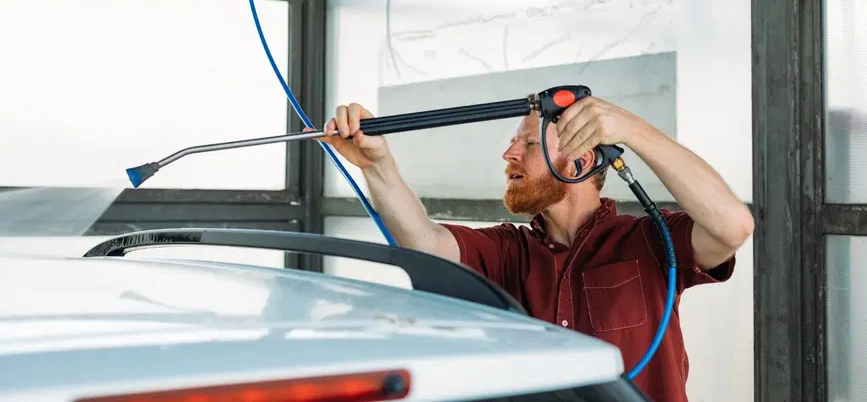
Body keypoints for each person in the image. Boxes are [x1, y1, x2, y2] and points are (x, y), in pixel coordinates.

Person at [312, 95, 754, 402]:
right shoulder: (509, 250)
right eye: (513, 142)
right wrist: (377, 164)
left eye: (527, 143)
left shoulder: (647, 241)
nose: (509, 154)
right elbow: (423, 241)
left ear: (581, 162)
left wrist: (632, 130)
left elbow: (732, 225)